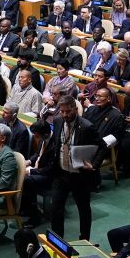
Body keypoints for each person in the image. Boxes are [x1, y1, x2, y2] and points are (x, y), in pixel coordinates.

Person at [50, 95, 105, 241]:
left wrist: (94, 164)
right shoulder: (57, 121)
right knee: (56, 208)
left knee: (83, 209)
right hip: (61, 173)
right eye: (62, 111)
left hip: (79, 175)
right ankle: (57, 240)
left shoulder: (87, 126)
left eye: (68, 112)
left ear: (75, 108)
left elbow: (102, 146)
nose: (64, 115)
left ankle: (84, 239)